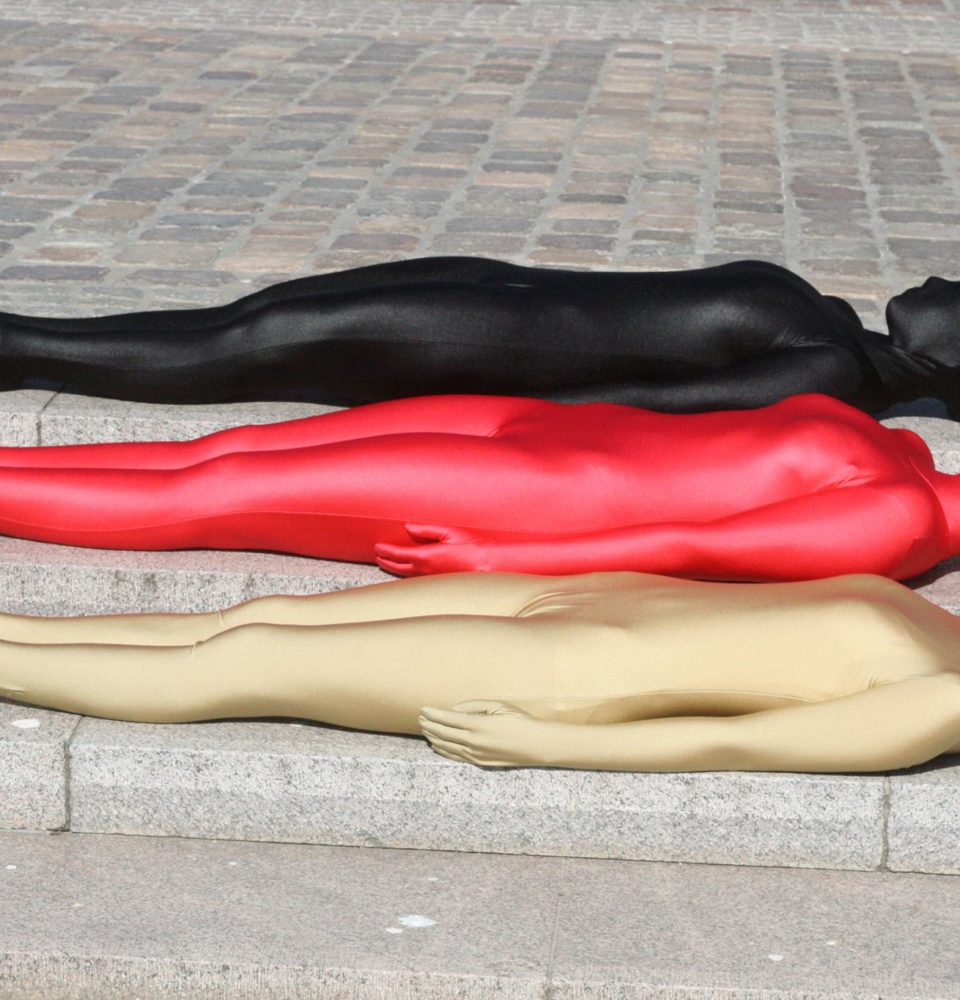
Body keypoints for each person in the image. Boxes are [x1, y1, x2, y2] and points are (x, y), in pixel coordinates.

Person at [2, 570, 959, 773]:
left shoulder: (949, 696)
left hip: (571, 664)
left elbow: (750, 739)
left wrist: (551, 746)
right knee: (258, 613)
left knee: (250, 658)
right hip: (590, 598)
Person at [0, 392, 955, 581]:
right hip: (542, 425)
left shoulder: (899, 518)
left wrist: (510, 555)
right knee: (233, 445)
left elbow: (693, 547)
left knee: (216, 490)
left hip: (533, 488)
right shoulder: (910, 454)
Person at [1, 257, 957, 414]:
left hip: (466, 342)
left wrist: (461, 420)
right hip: (485, 289)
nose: (948, 278)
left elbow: (629, 407)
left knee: (249, 341)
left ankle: (17, 347)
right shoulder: (830, 322)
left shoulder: (826, 371)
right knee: (251, 315)